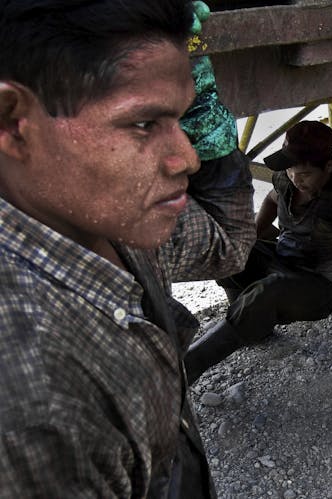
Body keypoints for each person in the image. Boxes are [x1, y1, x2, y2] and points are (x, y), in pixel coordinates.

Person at [0, 1, 255, 497]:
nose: (188, 157)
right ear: (13, 121)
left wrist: (205, 118)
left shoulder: (105, 219)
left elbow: (228, 243)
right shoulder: (29, 408)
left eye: (182, 118)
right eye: (144, 124)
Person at [184, 120, 332, 384]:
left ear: (328, 166)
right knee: (228, 250)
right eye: (291, 171)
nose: (296, 179)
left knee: (268, 292)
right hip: (284, 261)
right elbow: (273, 199)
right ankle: (251, 326)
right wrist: (247, 240)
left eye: (305, 174)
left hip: (323, 284)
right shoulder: (287, 178)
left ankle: (186, 369)